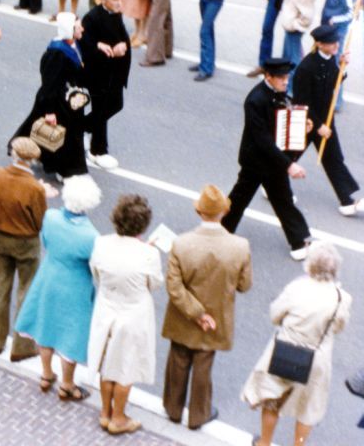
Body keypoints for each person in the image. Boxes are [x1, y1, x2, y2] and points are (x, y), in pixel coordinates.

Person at [162, 184, 253, 431]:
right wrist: (205, 314)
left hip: (182, 315)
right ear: (224, 212)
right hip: (217, 316)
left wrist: (196, 312)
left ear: (199, 212)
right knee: (203, 365)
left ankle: (173, 409)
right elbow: (244, 285)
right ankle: (198, 415)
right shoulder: (240, 246)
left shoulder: (181, 243)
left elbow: (174, 287)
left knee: (178, 359)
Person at [242, 242, 351, 446]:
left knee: (272, 401)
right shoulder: (341, 298)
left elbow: (275, 315)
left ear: (310, 265)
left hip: (285, 352)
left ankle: (264, 442)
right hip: (316, 358)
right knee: (309, 408)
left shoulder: (296, 288)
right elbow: (338, 326)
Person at [13, 175, 102, 403]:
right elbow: (96, 267)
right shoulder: (91, 236)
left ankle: (46, 373)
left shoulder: (51, 217)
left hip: (49, 277)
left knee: (45, 326)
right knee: (71, 336)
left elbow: (46, 242)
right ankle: (67, 384)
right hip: (76, 285)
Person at [223, 57, 313, 260]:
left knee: (283, 199)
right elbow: (262, 139)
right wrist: (288, 165)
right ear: (269, 77)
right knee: (239, 200)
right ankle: (221, 232)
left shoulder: (278, 93)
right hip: (255, 161)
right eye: (281, 78)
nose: (286, 81)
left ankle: (299, 240)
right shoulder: (255, 100)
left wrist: (302, 127)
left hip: (272, 161)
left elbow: (283, 124)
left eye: (287, 77)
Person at [88, 194, 162, 436]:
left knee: (107, 363)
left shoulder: (101, 243)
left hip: (107, 308)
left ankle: (105, 412)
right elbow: (154, 283)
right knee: (125, 367)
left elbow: (96, 272)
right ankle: (119, 418)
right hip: (133, 314)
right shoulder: (148, 254)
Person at [0, 137, 49, 359]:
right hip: (25, 242)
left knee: (0, 286)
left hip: (0, 237)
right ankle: (22, 347)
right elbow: (40, 221)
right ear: (32, 160)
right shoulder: (35, 188)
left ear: (14, 154)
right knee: (26, 290)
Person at [293, 24, 362, 215]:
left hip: (325, 117)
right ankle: (271, 184)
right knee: (290, 156)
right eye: (332, 43)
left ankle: (347, 201)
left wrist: (342, 67)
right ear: (320, 44)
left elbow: (332, 82)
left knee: (333, 158)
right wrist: (318, 126)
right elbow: (301, 102)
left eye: (336, 42)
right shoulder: (306, 67)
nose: (336, 45)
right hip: (308, 121)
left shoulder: (330, 59)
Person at [13, 13, 90, 181]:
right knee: (64, 134)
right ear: (70, 30)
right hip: (57, 100)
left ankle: (33, 153)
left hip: (70, 96)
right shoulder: (57, 52)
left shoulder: (73, 44)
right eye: (78, 27)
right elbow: (49, 82)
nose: (82, 29)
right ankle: (64, 169)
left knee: (53, 131)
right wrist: (50, 111)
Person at [80, 0, 131, 170]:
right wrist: (107, 50)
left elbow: (122, 36)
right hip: (98, 74)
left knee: (116, 105)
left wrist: (124, 45)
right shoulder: (92, 18)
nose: (119, 2)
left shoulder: (116, 14)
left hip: (115, 73)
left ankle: (81, 128)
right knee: (101, 110)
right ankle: (98, 151)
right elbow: (86, 47)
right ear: (103, 0)